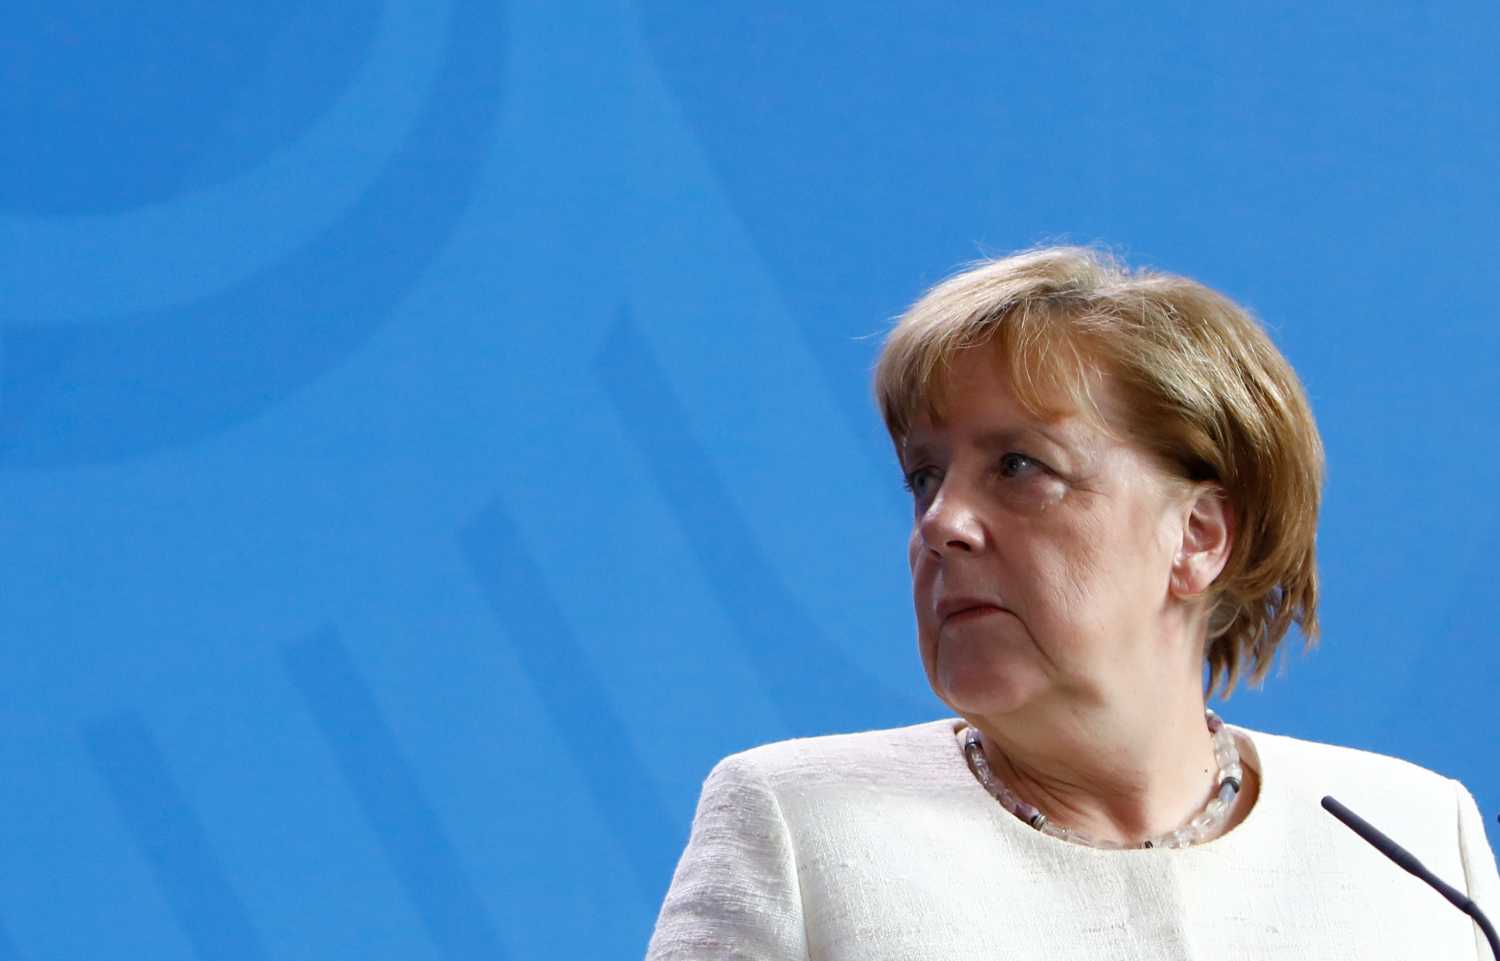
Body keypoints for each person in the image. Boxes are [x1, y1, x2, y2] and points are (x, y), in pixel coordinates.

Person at [645, 247, 1500, 960]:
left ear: (1198, 535)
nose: (941, 523)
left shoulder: (1417, 836)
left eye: (1019, 466)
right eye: (923, 478)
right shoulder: (799, 826)